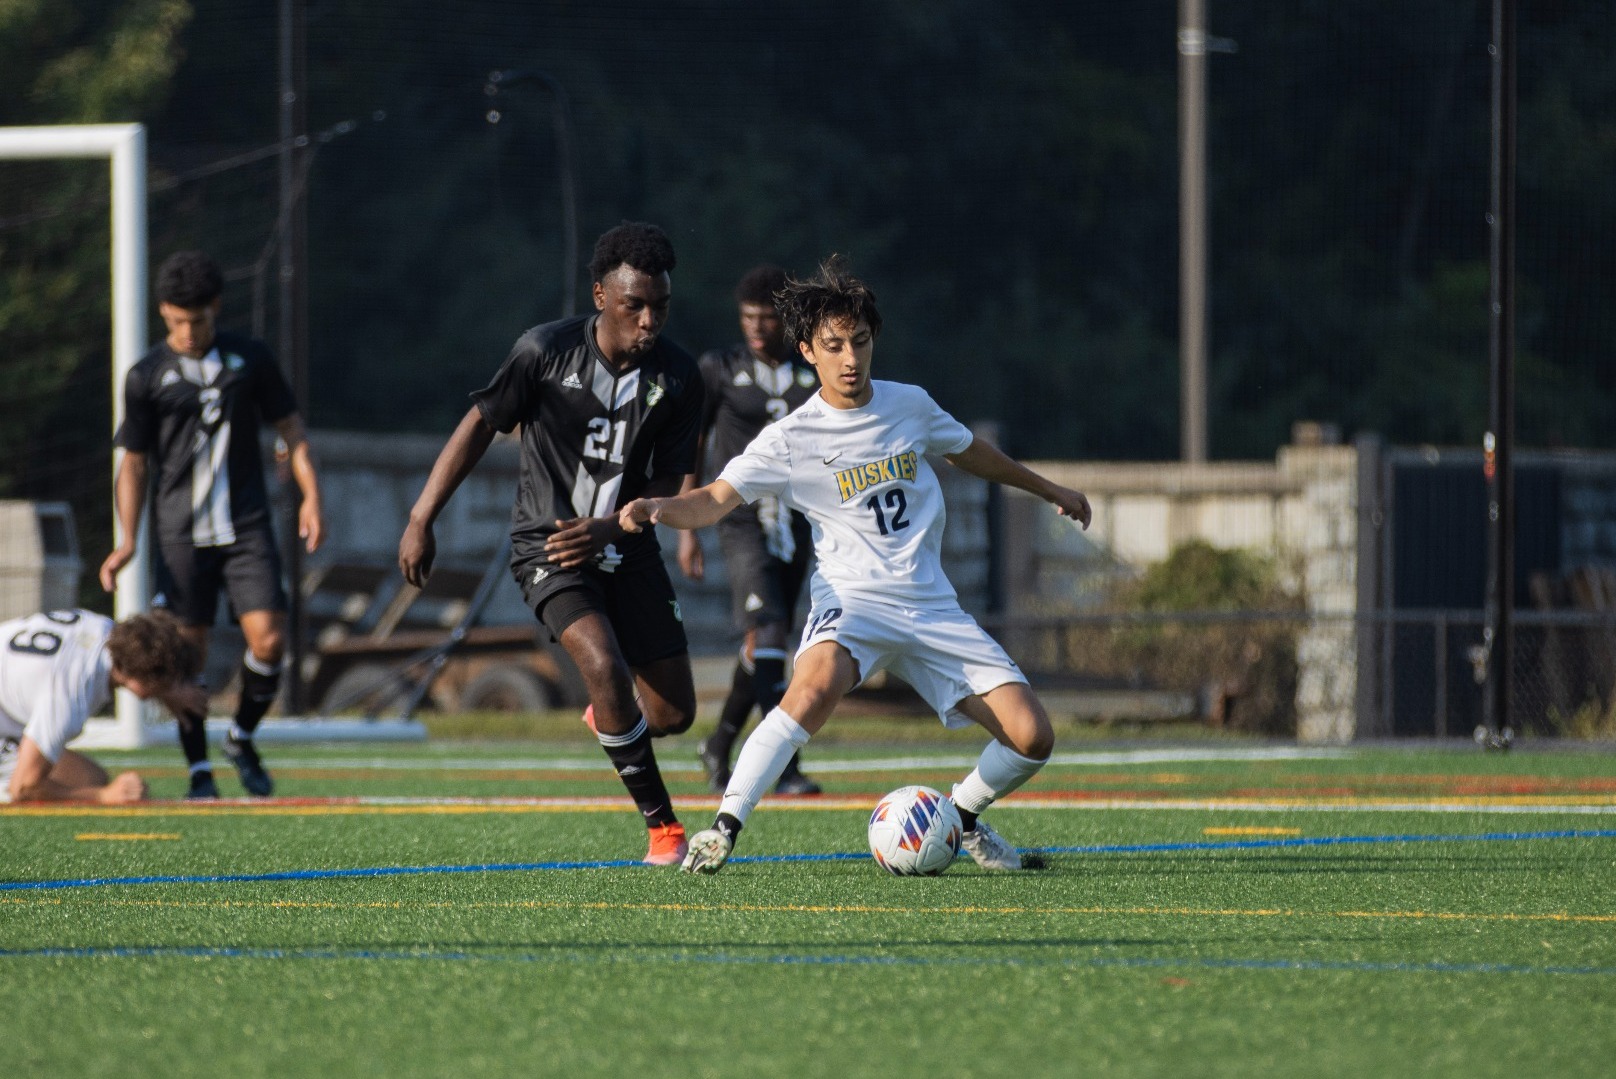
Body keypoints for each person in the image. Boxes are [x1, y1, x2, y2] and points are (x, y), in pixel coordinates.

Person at [617, 257, 1093, 875]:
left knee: (1033, 738)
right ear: (808, 351)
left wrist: (1050, 488)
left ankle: (961, 818)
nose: (850, 358)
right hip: (853, 602)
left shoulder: (910, 405)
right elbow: (712, 500)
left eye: (860, 342)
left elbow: (976, 456)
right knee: (809, 689)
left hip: (931, 606)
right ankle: (724, 828)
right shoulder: (792, 438)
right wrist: (659, 507)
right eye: (834, 345)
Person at [398, 221, 703, 866]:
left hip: (629, 548)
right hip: (550, 550)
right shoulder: (542, 352)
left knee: (674, 714)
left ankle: (609, 716)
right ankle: (664, 831)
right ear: (600, 295)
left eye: (661, 306)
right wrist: (422, 516)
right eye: (634, 305)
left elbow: (667, 483)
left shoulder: (679, 378)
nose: (650, 320)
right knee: (603, 666)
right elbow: (479, 426)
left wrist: (616, 525)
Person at [99, 249, 325, 800]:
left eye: (196, 321)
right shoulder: (146, 376)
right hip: (180, 532)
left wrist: (312, 499)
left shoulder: (249, 359)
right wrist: (127, 538)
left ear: (215, 309)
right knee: (186, 656)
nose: (187, 332)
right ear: (162, 314)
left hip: (245, 524)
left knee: (269, 640)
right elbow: (132, 462)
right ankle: (199, 771)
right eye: (176, 321)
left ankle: (241, 737)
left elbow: (291, 430)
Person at [679, 264, 822, 796]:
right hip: (739, 517)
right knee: (769, 630)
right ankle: (783, 766)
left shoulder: (814, 368)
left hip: (799, 517)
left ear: (786, 321)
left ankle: (718, 745)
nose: (757, 329)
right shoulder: (719, 368)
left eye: (767, 319)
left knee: (768, 638)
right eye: (748, 318)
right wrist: (688, 530)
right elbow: (692, 443)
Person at [1, 608, 204, 804]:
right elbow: (22, 787)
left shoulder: (103, 628)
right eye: (172, 681)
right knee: (46, 784)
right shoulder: (69, 697)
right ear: (150, 678)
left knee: (88, 777)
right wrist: (104, 796)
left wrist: (165, 690)